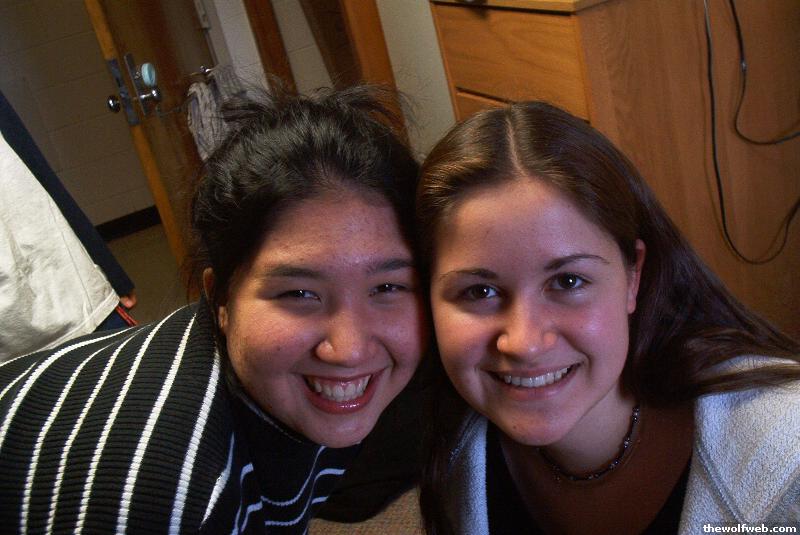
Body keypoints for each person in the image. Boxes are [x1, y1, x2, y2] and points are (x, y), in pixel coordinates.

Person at [0, 85, 426, 534]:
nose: (350, 349)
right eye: (299, 294)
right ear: (219, 298)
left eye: (387, 286)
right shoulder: (167, 495)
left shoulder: (286, 389)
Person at [416, 101, 800, 534]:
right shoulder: (448, 444)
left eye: (568, 282)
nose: (525, 342)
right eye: (479, 291)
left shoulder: (788, 458)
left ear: (633, 277)